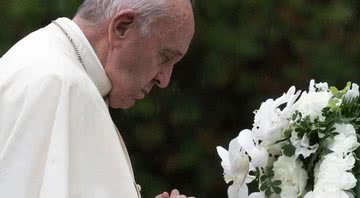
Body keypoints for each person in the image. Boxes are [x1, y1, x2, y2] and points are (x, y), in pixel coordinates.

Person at [0, 0, 195, 197]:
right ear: (122, 27)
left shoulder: (42, 57)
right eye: (165, 57)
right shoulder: (63, 85)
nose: (164, 80)